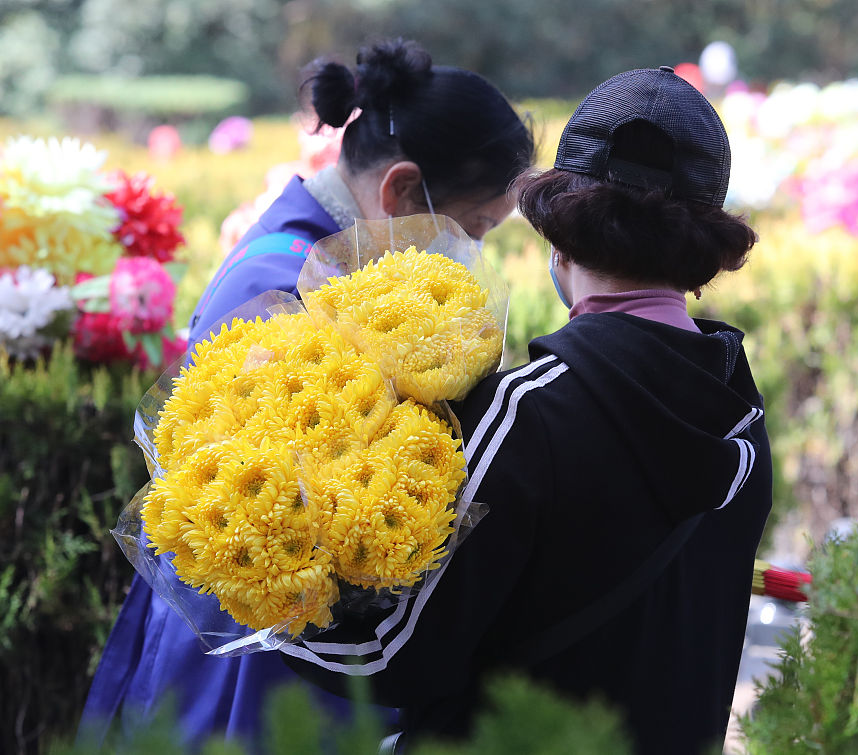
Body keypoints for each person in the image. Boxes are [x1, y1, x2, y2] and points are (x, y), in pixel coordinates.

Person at [284, 66, 771, 755]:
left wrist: (276, 573)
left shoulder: (524, 412)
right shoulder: (742, 418)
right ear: (705, 250)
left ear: (559, 229)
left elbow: (390, 655)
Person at [79, 37, 535, 749]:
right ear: (404, 191)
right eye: (473, 227)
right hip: (245, 640)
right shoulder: (283, 278)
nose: (471, 250)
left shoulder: (338, 259)